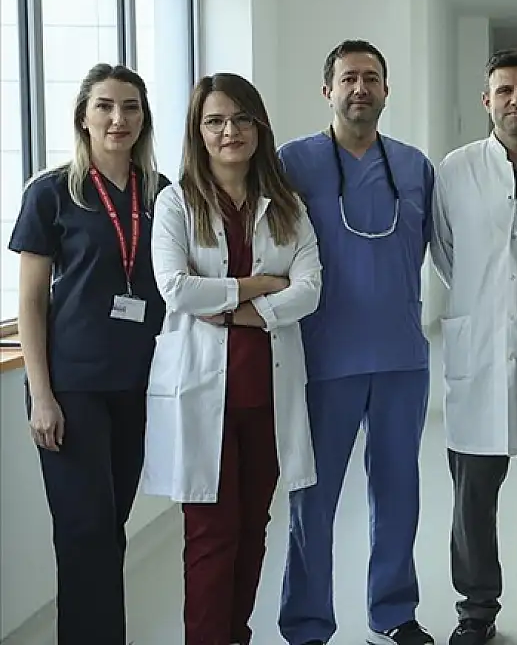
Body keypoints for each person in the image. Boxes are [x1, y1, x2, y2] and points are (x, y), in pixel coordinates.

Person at [144, 73, 322, 645]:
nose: (230, 131)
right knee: (211, 535)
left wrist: (234, 309)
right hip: (205, 397)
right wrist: (259, 286)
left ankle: (235, 636)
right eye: (215, 120)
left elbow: (310, 290)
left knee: (252, 530)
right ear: (197, 131)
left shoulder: (287, 205)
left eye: (241, 118)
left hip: (266, 398)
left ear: (259, 127)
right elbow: (176, 289)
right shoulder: (176, 202)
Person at [277, 39, 437, 645]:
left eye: (371, 78)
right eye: (349, 78)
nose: (360, 88)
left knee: (398, 492)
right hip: (324, 358)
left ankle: (393, 612)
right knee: (313, 500)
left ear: (386, 90)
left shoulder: (414, 166)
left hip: (400, 356)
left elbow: (432, 247)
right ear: (328, 90)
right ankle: (307, 623)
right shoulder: (294, 163)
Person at [8, 63, 168, 645]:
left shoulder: (161, 193)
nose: (118, 118)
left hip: (139, 384)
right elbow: (30, 302)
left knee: (110, 527)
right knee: (85, 531)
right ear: (83, 117)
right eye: (104, 106)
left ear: (143, 118)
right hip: (71, 387)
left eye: (130, 106)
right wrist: (41, 396)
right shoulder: (52, 192)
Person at [429, 48, 517, 645]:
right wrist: (489, 305)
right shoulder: (455, 169)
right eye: (504, 90)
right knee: (472, 502)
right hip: (477, 353)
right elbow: (445, 251)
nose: (516, 100)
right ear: (487, 101)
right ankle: (476, 610)